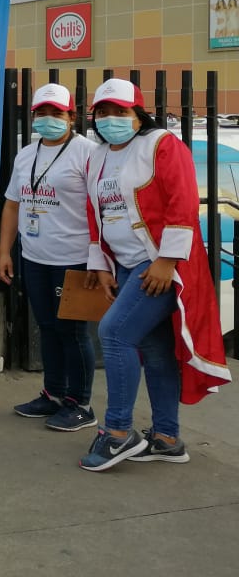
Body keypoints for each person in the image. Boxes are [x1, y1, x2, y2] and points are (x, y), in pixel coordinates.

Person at [78, 78, 231, 471]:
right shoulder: (97, 156)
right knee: (156, 350)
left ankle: (118, 433)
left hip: (161, 264)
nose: (110, 118)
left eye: (120, 111)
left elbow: (183, 200)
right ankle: (166, 438)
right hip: (126, 264)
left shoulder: (161, 144)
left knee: (114, 333)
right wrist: (100, 262)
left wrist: (167, 260)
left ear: (138, 114)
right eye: (102, 112)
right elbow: (95, 212)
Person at [0, 83, 96, 431]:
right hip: (35, 256)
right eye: (42, 113)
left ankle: (80, 403)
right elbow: (12, 205)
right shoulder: (27, 153)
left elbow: (99, 209)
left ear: (71, 116)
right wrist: (5, 252)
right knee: (48, 328)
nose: (49, 118)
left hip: (75, 258)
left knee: (73, 332)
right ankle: (54, 394)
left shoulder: (87, 153)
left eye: (57, 113)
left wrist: (98, 259)